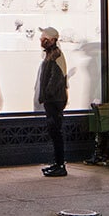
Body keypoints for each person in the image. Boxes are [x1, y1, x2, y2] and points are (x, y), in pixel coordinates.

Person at [35, 26, 69, 177]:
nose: (42, 41)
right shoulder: (51, 54)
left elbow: (55, 80)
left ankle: (60, 165)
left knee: (56, 132)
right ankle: (57, 163)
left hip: (55, 100)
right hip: (52, 100)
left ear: (52, 40)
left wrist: (46, 95)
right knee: (54, 132)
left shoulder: (55, 55)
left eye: (44, 39)